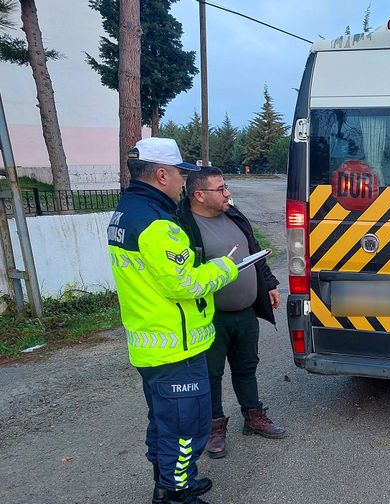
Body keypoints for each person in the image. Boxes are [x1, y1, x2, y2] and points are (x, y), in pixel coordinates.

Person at [107, 138, 239, 504]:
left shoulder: (125, 212)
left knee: (165, 423)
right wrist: (224, 267)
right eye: (182, 174)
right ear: (162, 174)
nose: (184, 181)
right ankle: (175, 495)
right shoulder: (158, 225)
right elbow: (186, 283)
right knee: (186, 429)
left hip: (151, 343)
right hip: (174, 348)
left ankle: (171, 481)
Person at [176, 167, 285, 460]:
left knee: (247, 367)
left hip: (245, 312)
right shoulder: (183, 227)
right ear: (199, 195)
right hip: (211, 317)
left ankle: (253, 417)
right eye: (221, 189)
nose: (228, 193)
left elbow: (254, 250)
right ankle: (214, 428)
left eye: (226, 187)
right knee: (211, 374)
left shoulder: (234, 216)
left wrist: (270, 284)